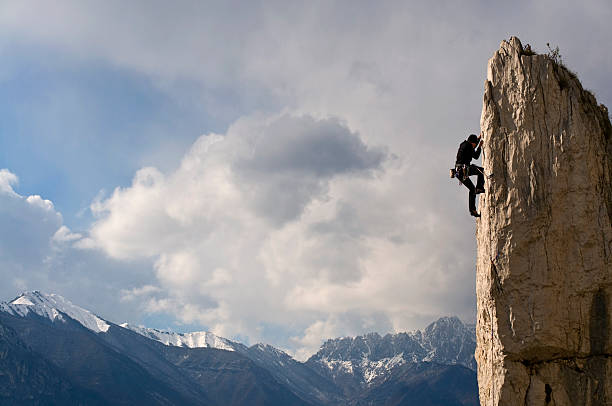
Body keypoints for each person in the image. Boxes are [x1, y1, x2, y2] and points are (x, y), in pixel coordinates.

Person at [455, 133, 485, 217]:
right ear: (473, 143)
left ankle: (473, 211)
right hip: (464, 170)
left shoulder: (464, 144)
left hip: (458, 172)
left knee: (472, 189)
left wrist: (478, 139)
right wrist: (480, 146)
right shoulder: (469, 146)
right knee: (481, 171)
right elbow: (475, 156)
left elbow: (472, 148)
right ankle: (479, 188)